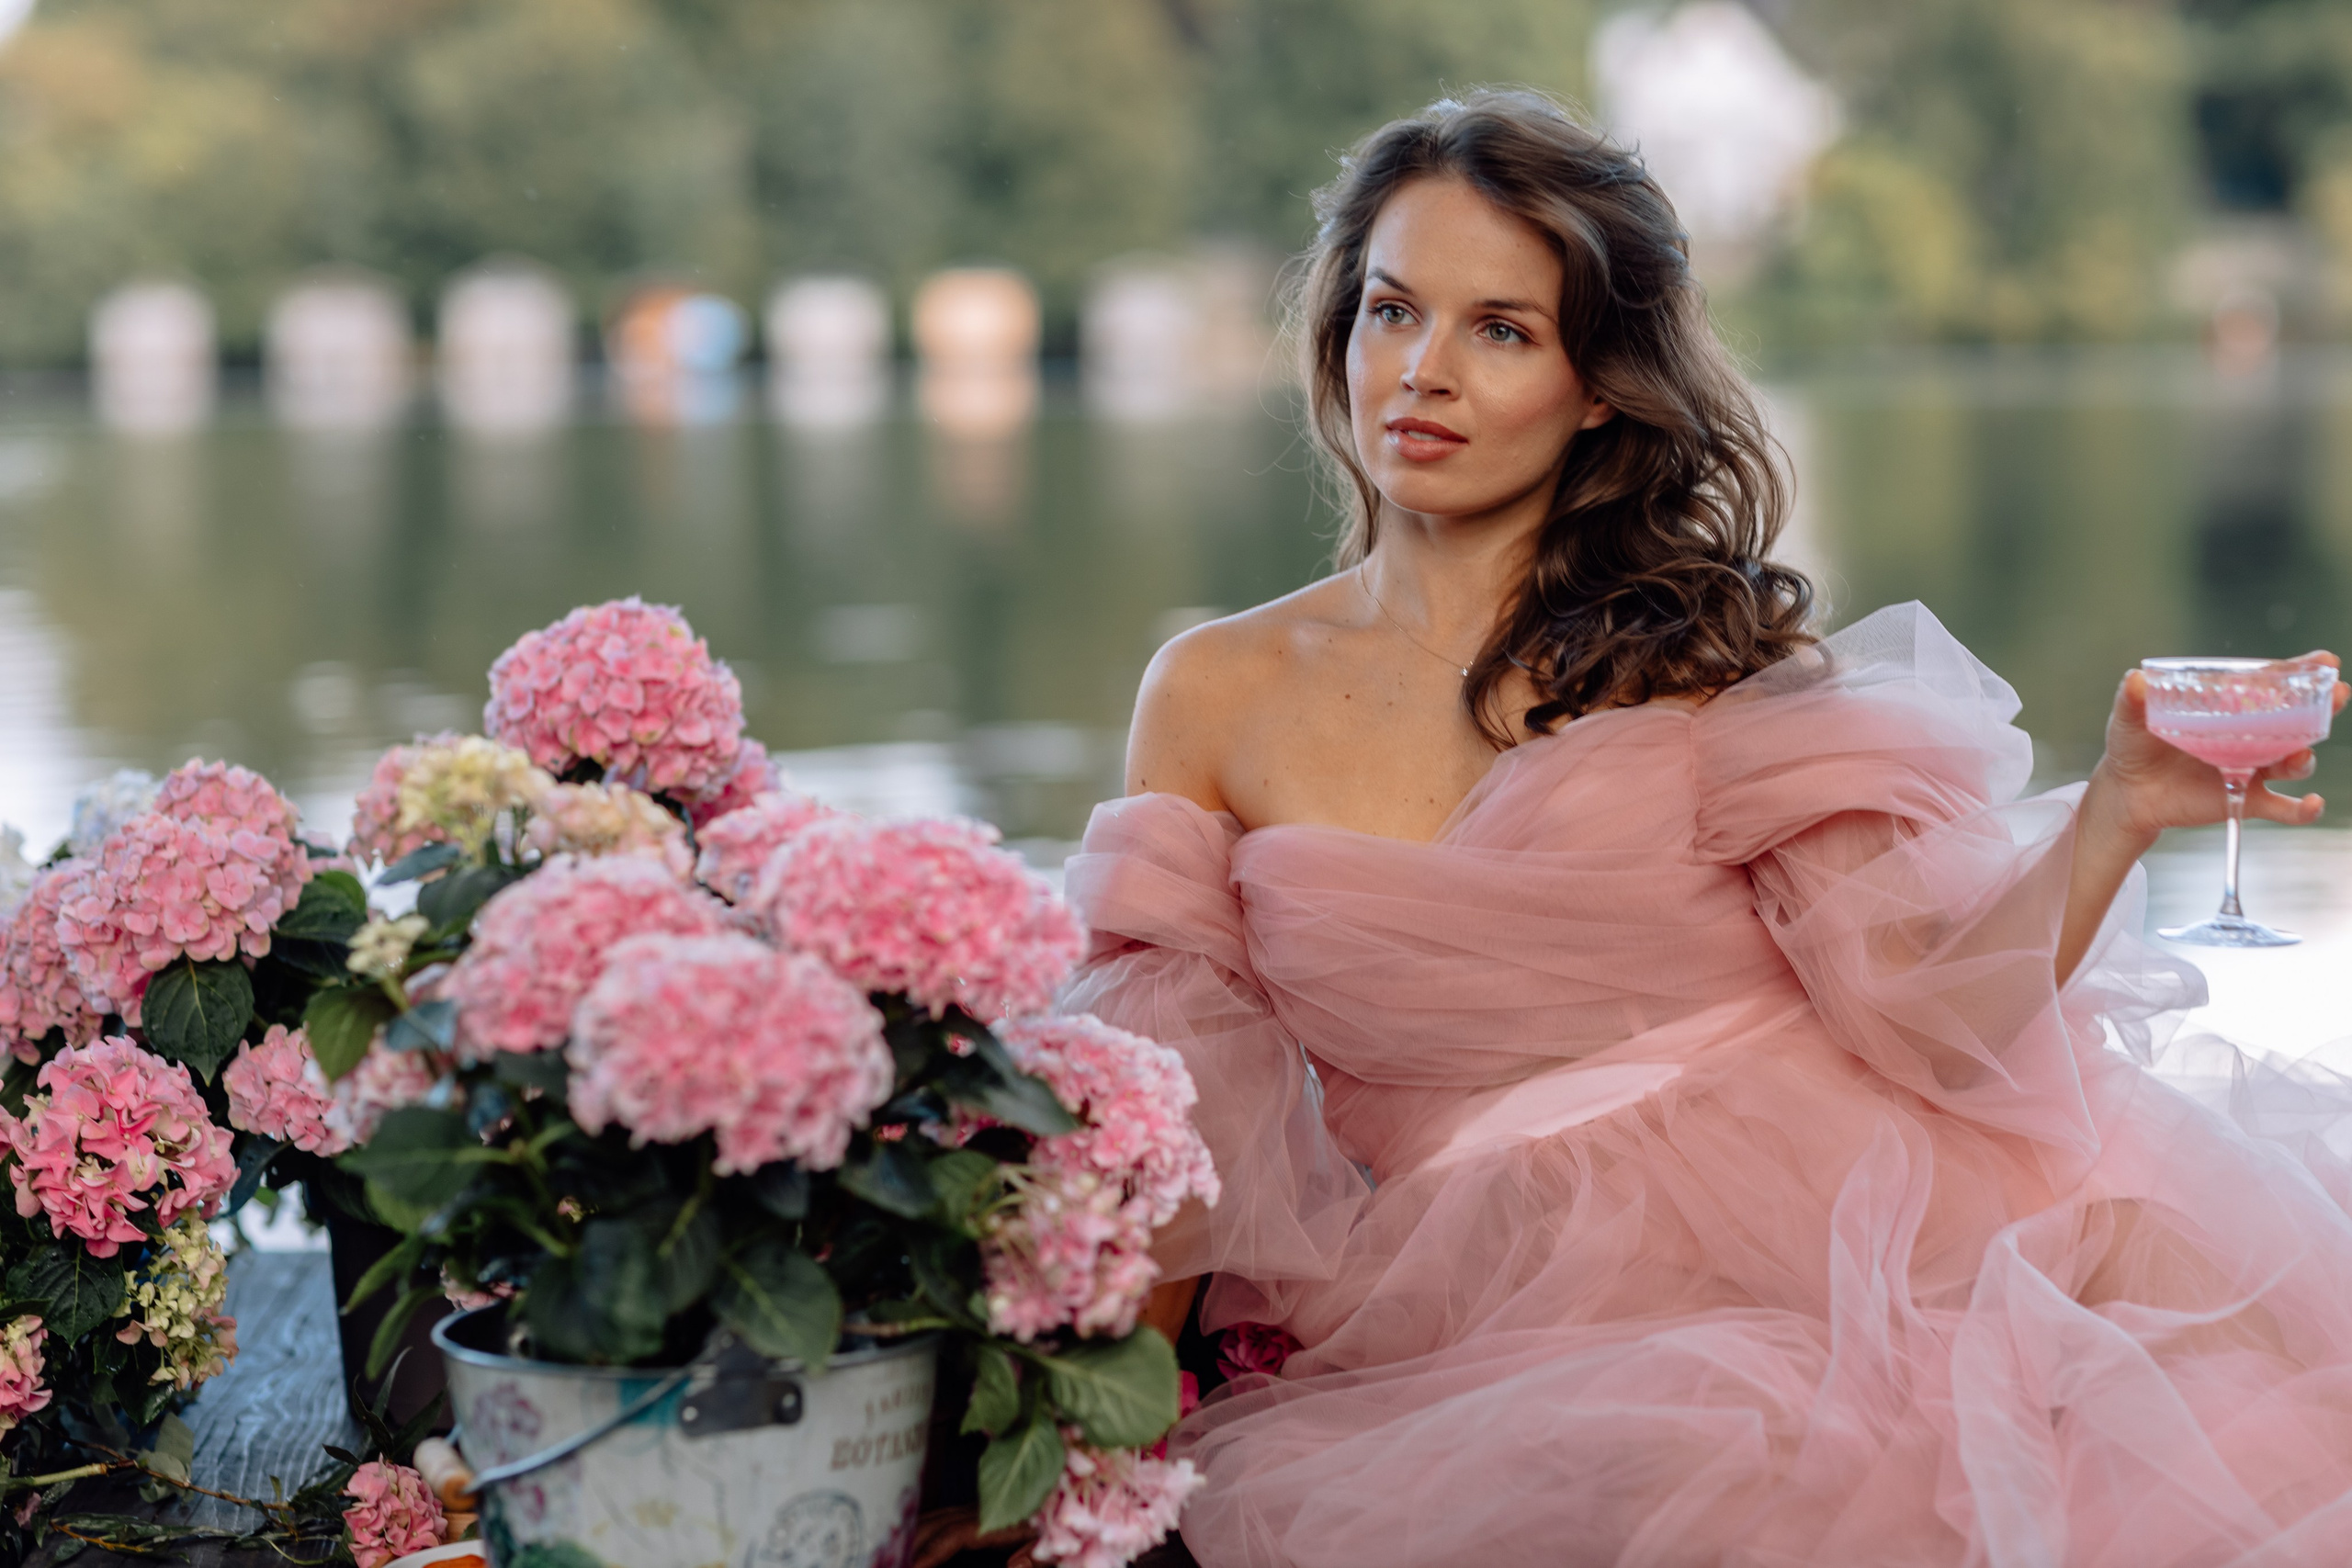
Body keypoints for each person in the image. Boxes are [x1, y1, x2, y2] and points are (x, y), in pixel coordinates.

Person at [1060, 90, 2352, 1566]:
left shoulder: (1702, 660)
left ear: (1599, 383)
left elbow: (1930, 1017)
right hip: (1472, 1299)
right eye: (1391, 310)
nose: (1420, 372)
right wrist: (1084, 1438)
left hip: (1863, 1226)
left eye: (1503, 330)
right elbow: (1171, 1103)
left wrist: (2119, 811)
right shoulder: (1215, 691)